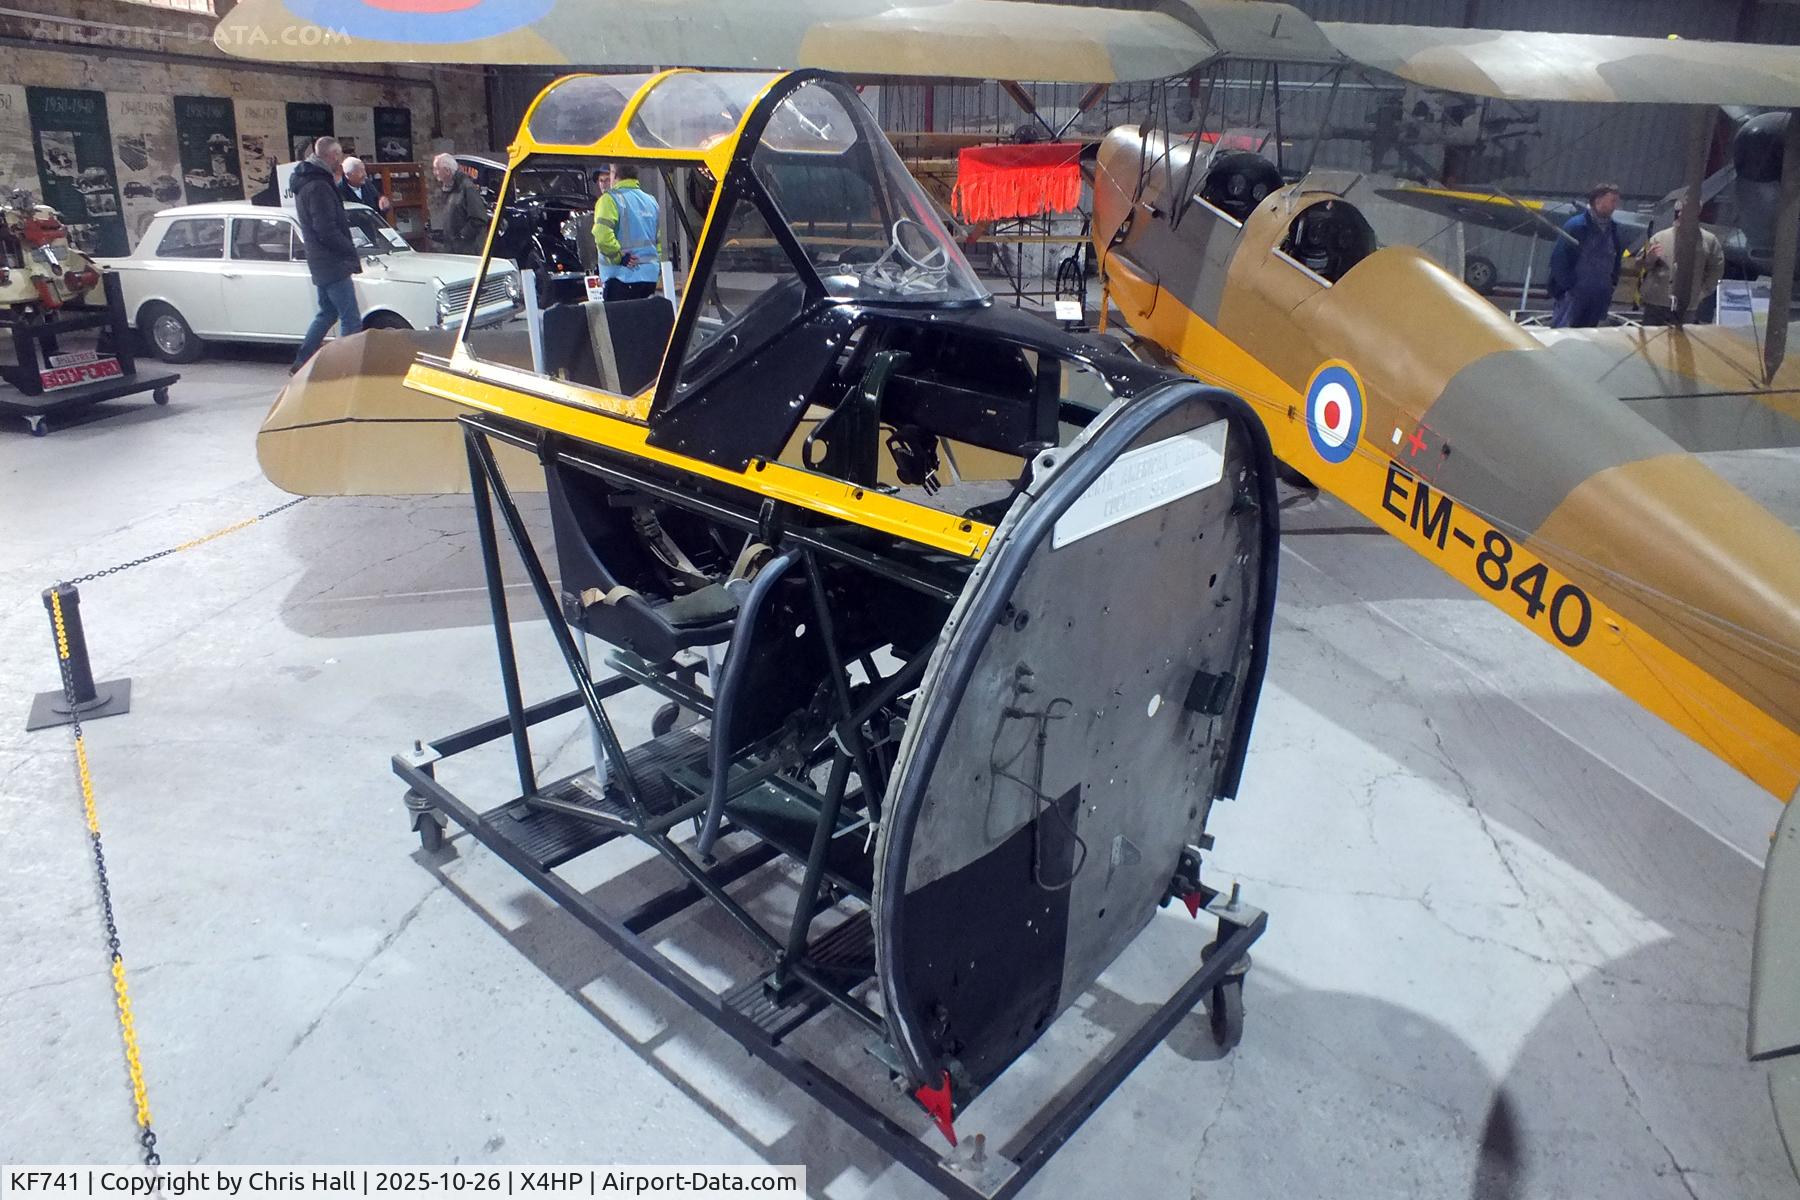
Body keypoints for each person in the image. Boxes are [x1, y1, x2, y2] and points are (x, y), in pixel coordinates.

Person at [291, 137, 361, 372]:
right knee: (350, 318)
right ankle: (347, 368)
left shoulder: (308, 181)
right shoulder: (319, 186)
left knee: (327, 313)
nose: (340, 160)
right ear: (330, 156)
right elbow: (325, 228)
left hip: (320, 261)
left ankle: (301, 361)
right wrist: (348, 250)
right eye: (338, 155)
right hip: (332, 262)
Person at [1548, 182, 1627, 328]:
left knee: (1588, 337)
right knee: (1563, 335)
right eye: (1612, 201)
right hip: (1573, 296)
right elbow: (1559, 260)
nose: (1615, 205)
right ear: (1598, 201)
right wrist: (1568, 286)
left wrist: (1611, 283)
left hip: (1598, 296)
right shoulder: (1577, 226)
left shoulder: (1613, 229)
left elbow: (1616, 258)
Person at [1638, 201, 1725, 325]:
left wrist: (1703, 292)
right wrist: (1649, 259)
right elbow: (1640, 265)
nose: (1681, 214)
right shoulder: (1659, 238)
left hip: (1688, 305)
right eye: (1679, 211)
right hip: (1657, 302)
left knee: (1681, 342)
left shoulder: (1709, 241)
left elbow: (1716, 270)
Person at [591, 163, 661, 301]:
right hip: (649, 279)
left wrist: (618, 258)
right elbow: (658, 240)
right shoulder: (651, 201)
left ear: (614, 174)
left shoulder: (609, 199)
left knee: (619, 322)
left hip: (621, 278)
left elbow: (602, 236)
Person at [431, 152, 490, 255]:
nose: (435, 172)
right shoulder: (451, 188)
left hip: (468, 251)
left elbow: (479, 219)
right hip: (456, 250)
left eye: (437, 169)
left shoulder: (467, 188)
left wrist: (461, 236)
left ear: (447, 170)